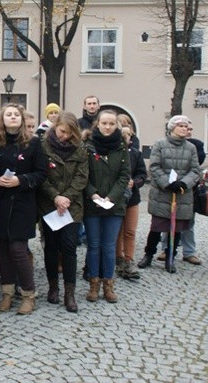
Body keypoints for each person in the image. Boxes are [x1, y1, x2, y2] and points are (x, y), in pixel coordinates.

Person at [0, 104, 46, 315]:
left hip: (23, 204)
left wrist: (20, 180)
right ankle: (7, 292)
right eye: (8, 115)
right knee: (3, 250)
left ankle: (28, 294)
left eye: (16, 114)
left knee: (18, 250)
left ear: (22, 119)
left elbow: (41, 173)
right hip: (1, 202)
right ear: (2, 120)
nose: (12, 117)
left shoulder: (33, 144)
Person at [137, 115, 202, 274]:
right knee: (157, 226)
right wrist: (167, 183)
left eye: (186, 127)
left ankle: (170, 257)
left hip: (181, 193)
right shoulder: (160, 144)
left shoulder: (191, 148)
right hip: (163, 193)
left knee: (177, 228)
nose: (185, 129)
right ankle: (148, 254)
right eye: (181, 126)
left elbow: (195, 170)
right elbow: (155, 166)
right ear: (172, 127)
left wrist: (184, 183)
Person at [38, 111, 88, 313]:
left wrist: (66, 197)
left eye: (69, 133)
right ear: (54, 126)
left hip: (71, 206)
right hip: (49, 204)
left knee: (69, 247)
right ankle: (53, 287)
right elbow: (41, 175)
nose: (65, 136)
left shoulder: (80, 148)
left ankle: (70, 292)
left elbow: (82, 176)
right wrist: (55, 196)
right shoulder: (43, 145)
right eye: (62, 131)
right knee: (51, 246)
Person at [82, 110, 130, 303]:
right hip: (92, 203)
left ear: (116, 125)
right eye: (104, 123)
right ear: (98, 124)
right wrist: (92, 193)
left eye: (111, 123)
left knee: (109, 247)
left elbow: (124, 175)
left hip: (114, 205)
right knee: (93, 245)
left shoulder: (121, 146)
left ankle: (108, 285)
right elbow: (82, 174)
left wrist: (111, 197)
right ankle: (93, 284)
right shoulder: (87, 147)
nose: (108, 127)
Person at [158, 120, 206, 265]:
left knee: (187, 222)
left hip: (187, 189)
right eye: (184, 127)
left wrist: (185, 182)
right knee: (167, 220)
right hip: (169, 187)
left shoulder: (195, 146)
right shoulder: (163, 144)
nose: (187, 130)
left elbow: (196, 166)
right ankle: (165, 249)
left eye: (189, 128)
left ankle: (189, 251)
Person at [115, 127, 147, 280]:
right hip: (115, 197)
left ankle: (129, 260)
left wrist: (135, 182)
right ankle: (118, 258)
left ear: (131, 138)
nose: (124, 138)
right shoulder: (113, 153)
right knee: (117, 231)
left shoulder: (135, 154)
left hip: (132, 198)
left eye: (126, 135)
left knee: (130, 231)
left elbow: (142, 173)